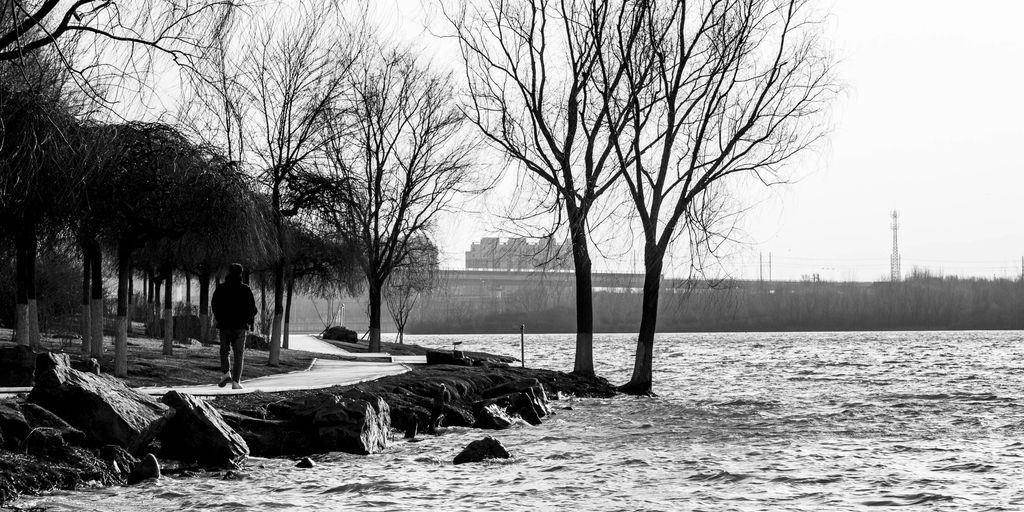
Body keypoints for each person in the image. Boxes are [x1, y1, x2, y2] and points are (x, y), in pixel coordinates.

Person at [211, 263, 257, 389]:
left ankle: (226, 373)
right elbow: (253, 309)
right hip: (240, 327)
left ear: (229, 272)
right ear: (240, 274)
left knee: (224, 350)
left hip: (225, 325)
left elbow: (214, 304)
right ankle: (236, 382)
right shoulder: (246, 289)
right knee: (239, 354)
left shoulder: (221, 288)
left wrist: (220, 318)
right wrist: (247, 320)